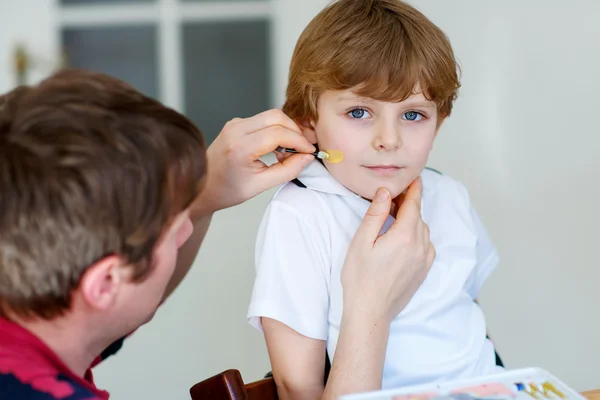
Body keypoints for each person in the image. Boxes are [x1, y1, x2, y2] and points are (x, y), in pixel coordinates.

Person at [0, 68, 433, 399]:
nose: (188, 224)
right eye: (173, 228)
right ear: (106, 282)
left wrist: (203, 193)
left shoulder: (34, 316)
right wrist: (369, 311)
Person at [246, 0, 502, 399]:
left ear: (439, 122)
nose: (389, 139)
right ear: (308, 121)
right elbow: (298, 387)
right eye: (360, 112)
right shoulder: (301, 213)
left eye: (413, 115)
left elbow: (462, 323)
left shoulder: (449, 194)